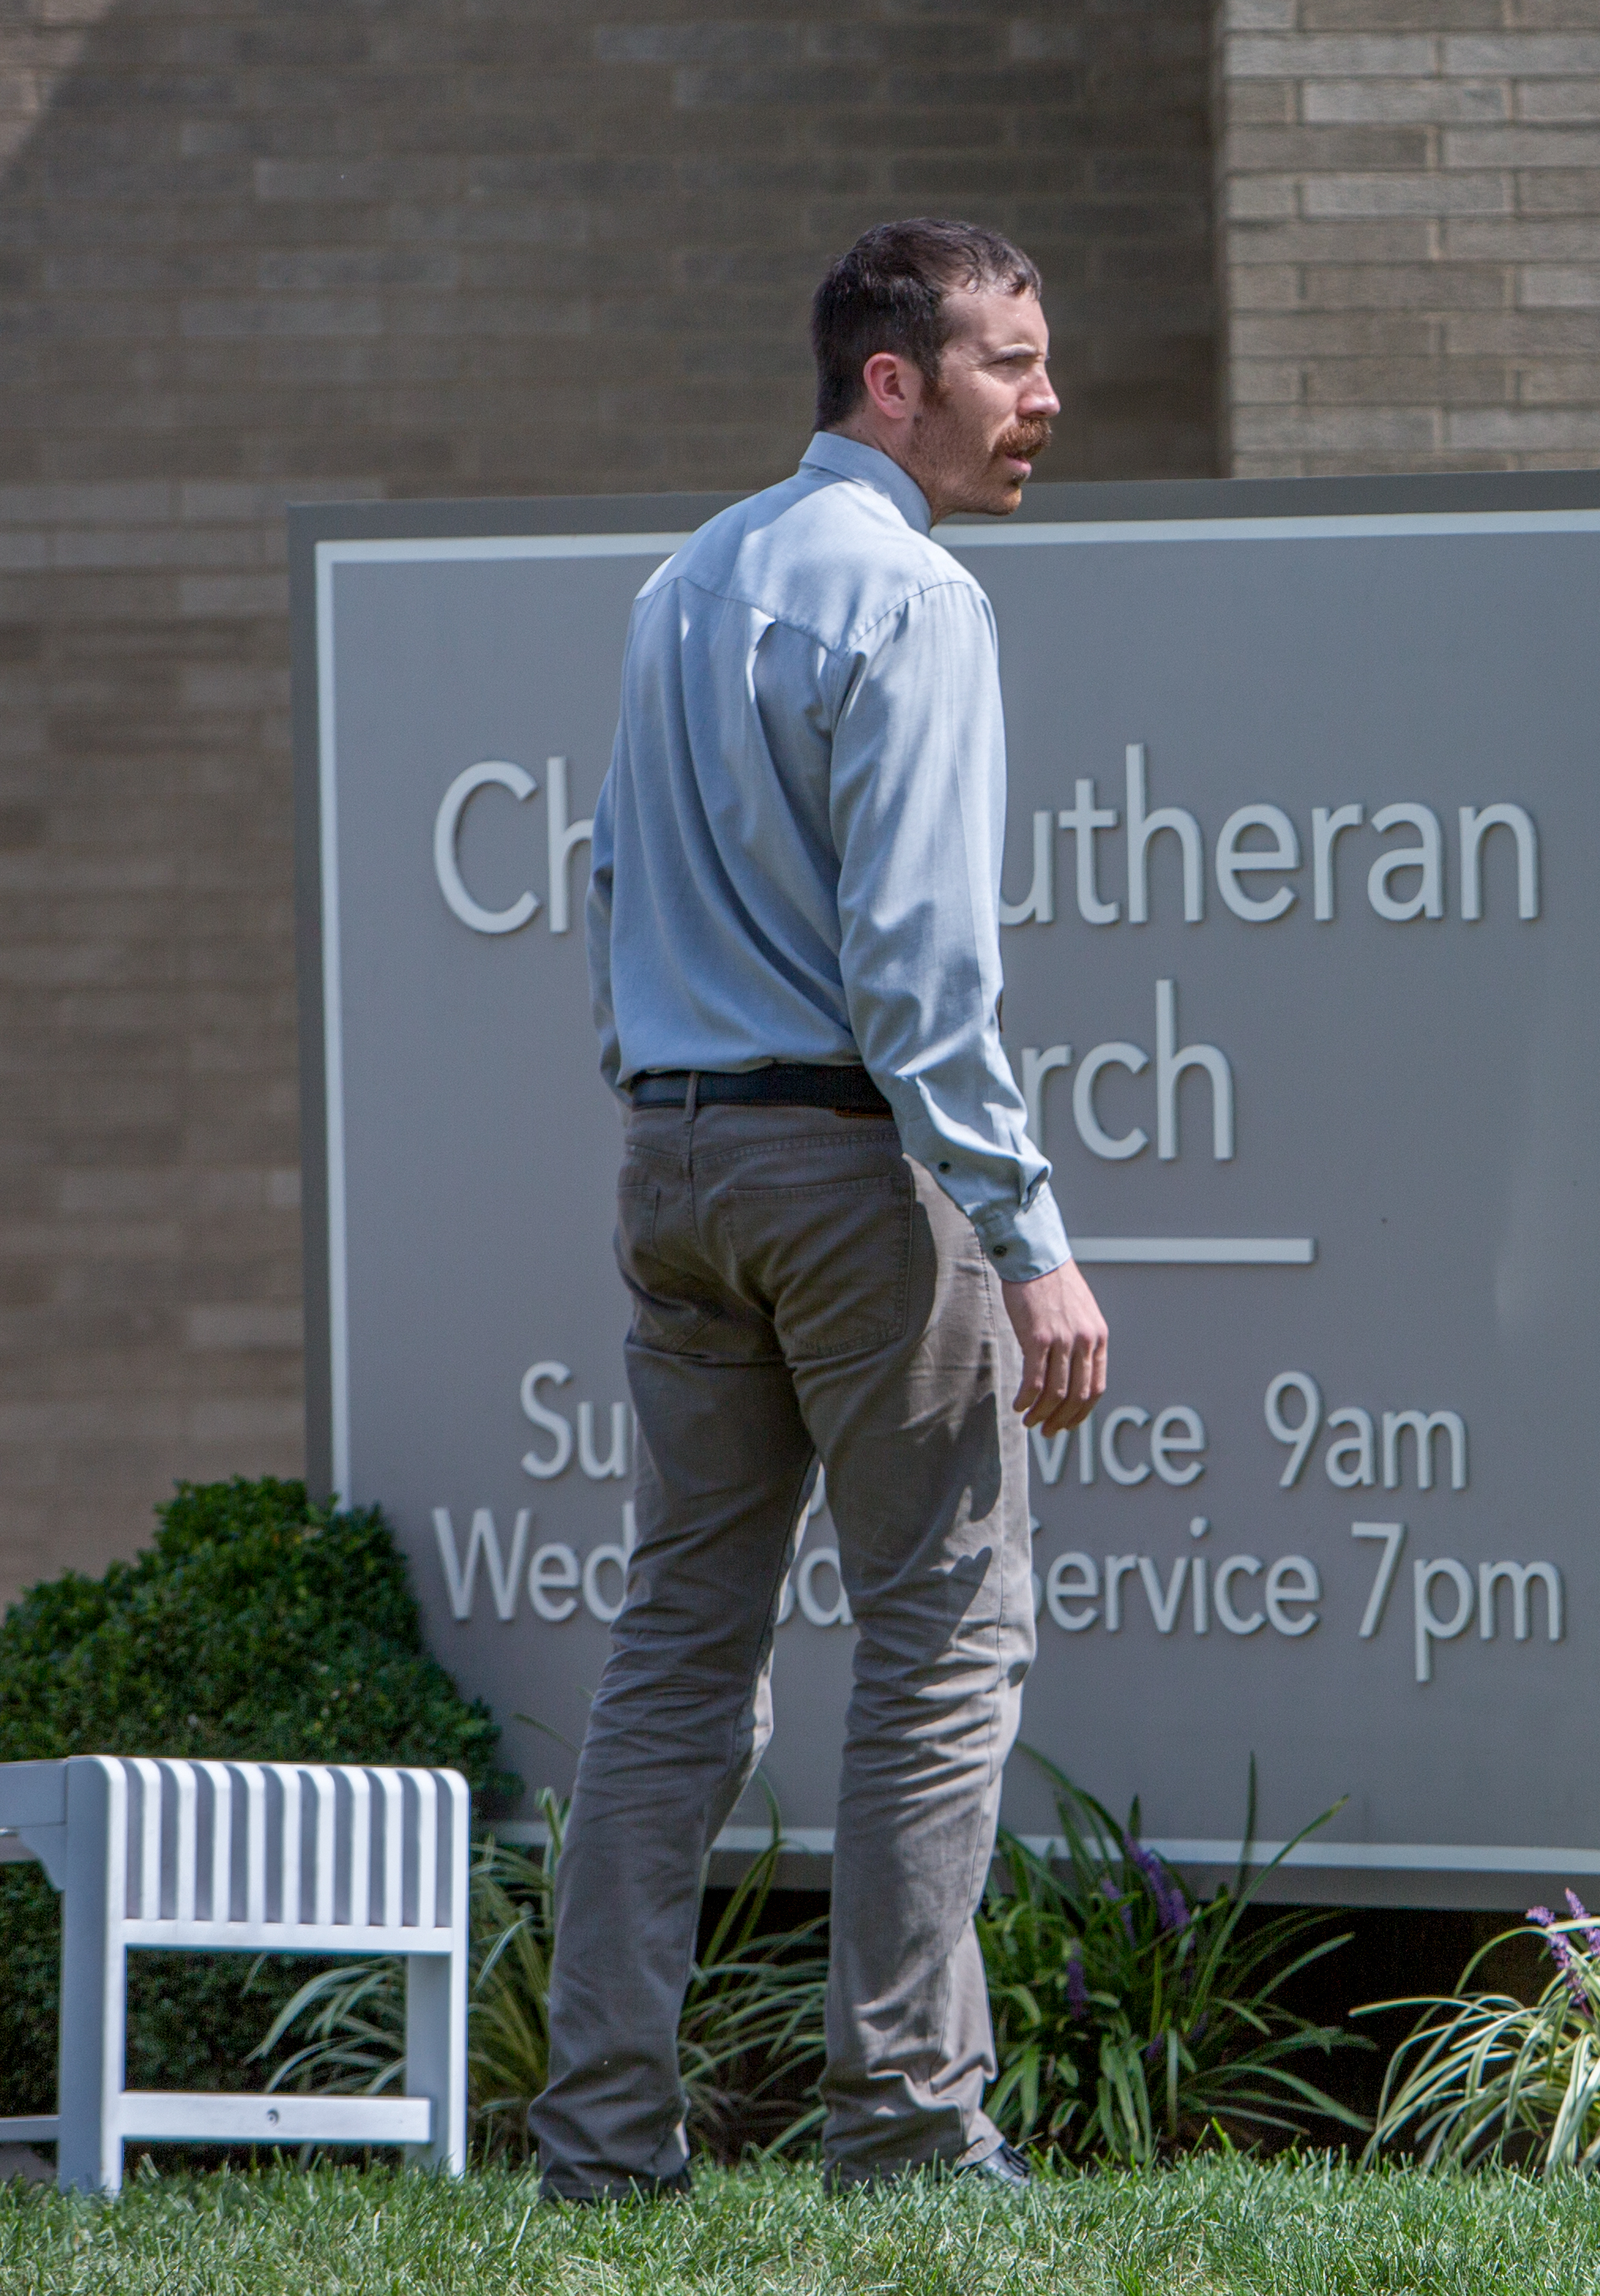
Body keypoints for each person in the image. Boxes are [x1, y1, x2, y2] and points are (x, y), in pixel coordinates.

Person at [536, 221, 1112, 2197]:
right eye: (1012, 364)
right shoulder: (920, 599)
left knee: (679, 1644)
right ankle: (907, 2131)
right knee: (946, 1635)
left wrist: (664, 1091)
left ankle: (602, 2146)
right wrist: (1028, 1236)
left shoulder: (682, 580)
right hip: (849, 1164)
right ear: (896, 380)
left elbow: (607, 884)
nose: (1046, 402)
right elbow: (925, 969)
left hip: (672, 1155)